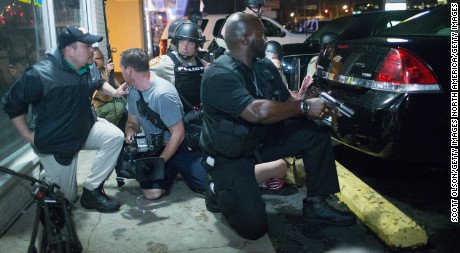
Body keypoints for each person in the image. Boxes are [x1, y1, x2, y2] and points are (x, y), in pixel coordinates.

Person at [200, 13, 356, 240]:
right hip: (230, 155)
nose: (266, 39)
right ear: (245, 39)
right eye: (262, 34)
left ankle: (316, 204)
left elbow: (286, 102)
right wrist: (304, 107)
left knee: (316, 131)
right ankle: (216, 187)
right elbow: (256, 111)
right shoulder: (218, 74)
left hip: (259, 141)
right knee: (254, 228)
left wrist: (315, 101)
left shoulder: (263, 66)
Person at [150, 19, 287, 194]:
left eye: (190, 42)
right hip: (174, 133)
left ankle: (266, 170)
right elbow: (142, 79)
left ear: (198, 45)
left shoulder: (206, 66)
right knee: (154, 191)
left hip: (201, 132)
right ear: (176, 42)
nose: (185, 46)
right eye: (181, 42)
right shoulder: (164, 62)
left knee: (209, 180)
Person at [2, 26, 127, 213]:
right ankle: (50, 179)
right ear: (69, 50)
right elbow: (12, 103)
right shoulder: (40, 74)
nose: (92, 50)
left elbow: (98, 82)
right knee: (66, 200)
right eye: (87, 46)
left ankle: (92, 191)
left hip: (82, 128)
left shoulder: (86, 66)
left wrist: (116, 92)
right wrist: (28, 135)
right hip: (56, 142)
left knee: (115, 137)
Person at [121, 48, 206, 200]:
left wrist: (159, 163)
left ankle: (176, 168)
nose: (121, 72)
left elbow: (179, 134)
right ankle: (172, 171)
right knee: (151, 194)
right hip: (154, 148)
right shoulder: (134, 91)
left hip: (177, 146)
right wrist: (130, 133)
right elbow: (132, 121)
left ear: (129, 70)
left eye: (121, 69)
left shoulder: (163, 93)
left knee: (206, 185)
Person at [90, 47, 126, 127]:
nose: (102, 60)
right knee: (118, 107)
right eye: (99, 58)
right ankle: (107, 128)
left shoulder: (103, 69)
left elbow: (118, 85)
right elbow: (99, 93)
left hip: (108, 102)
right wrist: (107, 73)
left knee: (125, 100)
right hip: (98, 106)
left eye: (102, 57)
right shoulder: (91, 74)